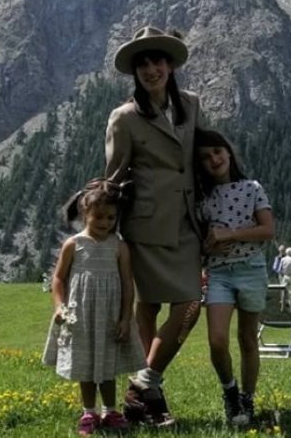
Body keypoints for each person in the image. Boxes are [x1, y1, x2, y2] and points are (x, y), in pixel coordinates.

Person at [105, 26, 205, 427]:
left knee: (190, 304)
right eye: (143, 64)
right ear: (135, 72)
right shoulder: (124, 118)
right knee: (147, 307)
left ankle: (143, 382)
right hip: (144, 226)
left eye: (158, 60)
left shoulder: (192, 104)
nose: (151, 69)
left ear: (170, 65)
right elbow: (114, 177)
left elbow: (202, 155)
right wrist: (103, 233)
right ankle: (151, 402)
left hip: (188, 223)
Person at [42, 179, 144, 436]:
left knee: (108, 365)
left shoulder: (119, 246)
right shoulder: (73, 244)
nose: (105, 222)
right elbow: (58, 278)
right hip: (81, 315)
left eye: (111, 217)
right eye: (99, 216)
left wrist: (125, 318)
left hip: (109, 316)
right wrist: (59, 307)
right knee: (85, 365)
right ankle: (89, 411)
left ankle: (110, 411)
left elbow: (127, 283)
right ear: (84, 212)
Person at [195, 129, 274, 427]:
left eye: (217, 151)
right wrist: (208, 246)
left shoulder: (252, 188)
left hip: (251, 268)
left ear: (228, 152)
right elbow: (200, 241)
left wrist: (230, 234)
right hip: (218, 272)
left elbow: (268, 230)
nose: (214, 159)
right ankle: (230, 392)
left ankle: (248, 399)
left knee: (247, 338)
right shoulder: (202, 199)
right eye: (205, 157)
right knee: (217, 340)